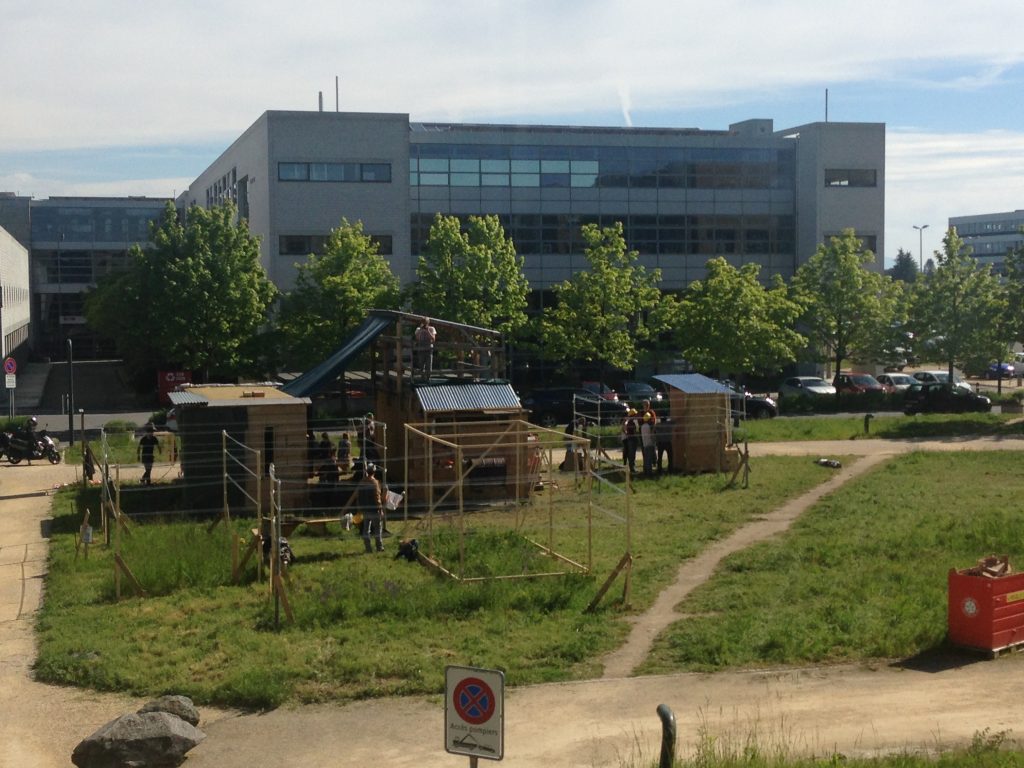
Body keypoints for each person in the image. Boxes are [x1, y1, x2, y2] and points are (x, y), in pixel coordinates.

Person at [354, 463, 384, 553]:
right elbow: (377, 497)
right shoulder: (375, 483)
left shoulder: (362, 482)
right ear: (374, 472)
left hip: (365, 509)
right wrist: (380, 509)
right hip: (374, 509)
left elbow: (358, 496)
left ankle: (368, 548)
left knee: (366, 529)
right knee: (377, 529)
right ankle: (379, 547)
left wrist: (359, 508)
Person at [638, 400, 658, 477]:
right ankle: (647, 469)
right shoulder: (641, 413)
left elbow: (654, 422)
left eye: (647, 405)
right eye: (645, 405)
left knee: (650, 450)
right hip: (644, 434)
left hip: (649, 433)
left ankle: (652, 464)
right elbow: (639, 422)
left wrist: (652, 432)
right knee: (646, 451)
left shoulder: (651, 412)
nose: (646, 406)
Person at [620, 408, 639, 474]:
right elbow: (635, 431)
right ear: (632, 415)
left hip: (629, 439)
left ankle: (631, 467)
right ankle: (632, 469)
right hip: (632, 439)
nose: (636, 416)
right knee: (632, 454)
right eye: (635, 414)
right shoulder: (632, 422)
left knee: (631, 453)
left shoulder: (629, 422)